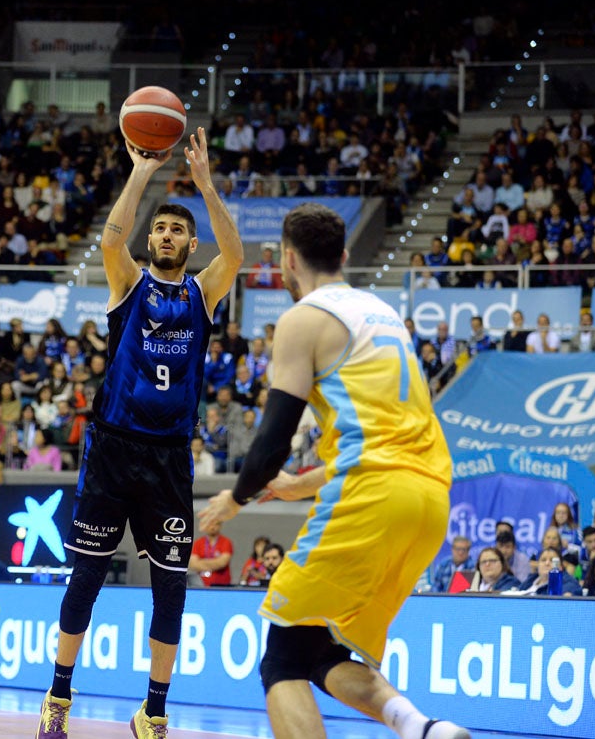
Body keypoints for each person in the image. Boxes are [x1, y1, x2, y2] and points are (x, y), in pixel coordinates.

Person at [197, 203, 468, 739]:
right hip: (431, 497)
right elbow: (391, 436)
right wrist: (304, 483)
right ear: (344, 256)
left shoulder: (304, 319)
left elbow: (271, 441)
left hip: (373, 495)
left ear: (286, 260)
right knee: (318, 649)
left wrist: (235, 499)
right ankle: (425, 729)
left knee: (280, 663)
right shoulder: (383, 314)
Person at [38, 127, 243, 739]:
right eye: (159, 228)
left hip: (169, 457)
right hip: (114, 448)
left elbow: (234, 255)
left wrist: (204, 186)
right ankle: (58, 699)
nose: (166, 235)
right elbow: (110, 237)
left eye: (177, 230)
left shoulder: (203, 293)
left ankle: (153, 711)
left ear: (190, 242)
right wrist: (141, 173)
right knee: (86, 580)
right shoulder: (129, 285)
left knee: (171, 592)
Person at [189, 520, 233, 586]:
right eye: (210, 524)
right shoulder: (198, 542)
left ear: (220, 526)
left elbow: (222, 563)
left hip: (221, 584)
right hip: (200, 584)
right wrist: (215, 562)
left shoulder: (226, 542)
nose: (212, 527)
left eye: (216, 524)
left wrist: (201, 562)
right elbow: (193, 564)